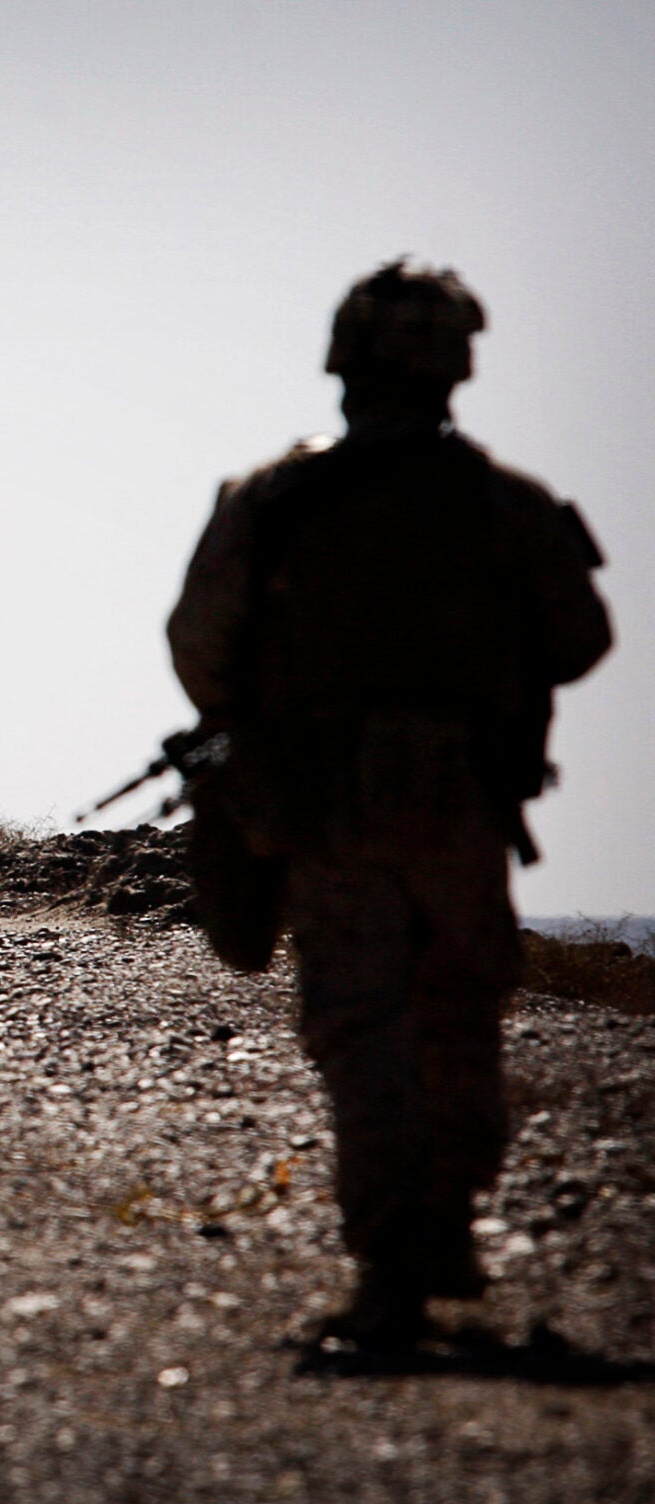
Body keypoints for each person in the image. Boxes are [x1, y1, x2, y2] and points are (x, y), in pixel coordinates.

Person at [167, 261, 611, 1347]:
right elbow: (581, 638)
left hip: (325, 809)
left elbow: (199, 648)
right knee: (456, 1012)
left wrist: (268, 721)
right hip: (461, 803)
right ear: (457, 364)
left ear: (343, 359)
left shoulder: (272, 498)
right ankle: (446, 1225)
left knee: (361, 1022)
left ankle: (390, 1272)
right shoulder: (505, 503)